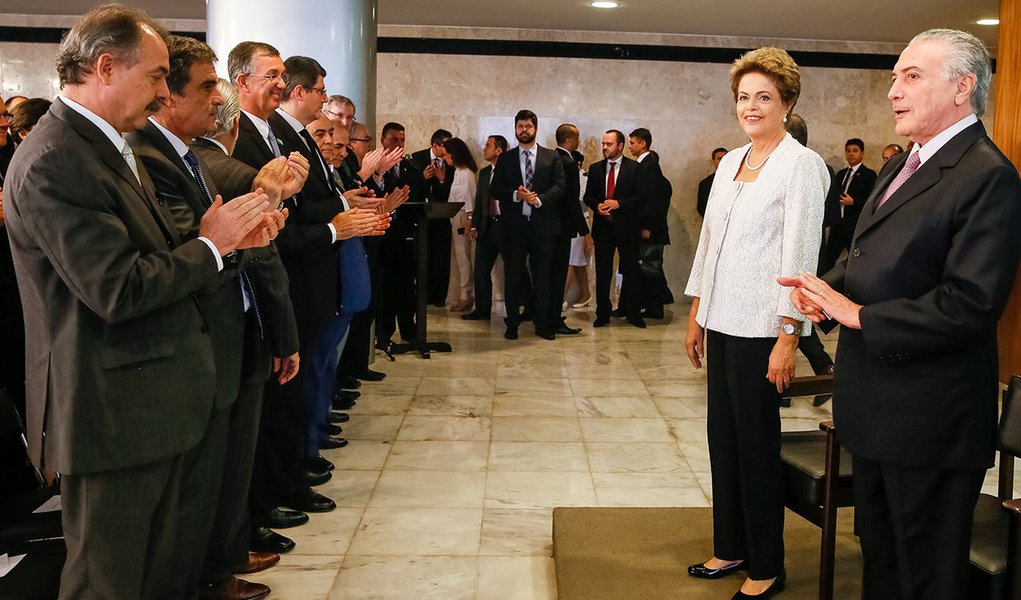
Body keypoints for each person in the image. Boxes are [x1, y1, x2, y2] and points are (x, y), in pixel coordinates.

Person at [4, 6, 278, 597]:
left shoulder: (106, 146)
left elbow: (156, 251)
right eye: (155, 75)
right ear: (105, 67)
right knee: (110, 577)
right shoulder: (58, 157)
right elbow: (118, 288)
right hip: (110, 408)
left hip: (148, 399)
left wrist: (218, 238)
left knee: (156, 568)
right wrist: (211, 244)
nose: (163, 90)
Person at [780, 29, 1021, 600]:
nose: (894, 91)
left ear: (963, 87)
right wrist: (824, 291)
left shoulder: (989, 175)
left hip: (930, 420)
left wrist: (859, 316)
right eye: (894, 77)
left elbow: (970, 303)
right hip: (876, 409)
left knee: (925, 577)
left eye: (911, 76)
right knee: (882, 562)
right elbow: (865, 253)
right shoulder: (904, 163)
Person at [684, 47, 828, 599]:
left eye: (763, 97)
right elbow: (710, 244)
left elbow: (799, 256)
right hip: (721, 321)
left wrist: (788, 335)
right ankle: (733, 546)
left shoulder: (802, 165)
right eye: (744, 97)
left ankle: (768, 564)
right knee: (723, 438)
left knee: (756, 445)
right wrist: (697, 314)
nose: (751, 106)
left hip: (763, 328)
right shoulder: (729, 162)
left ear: (787, 104)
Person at [490, 109, 566, 340]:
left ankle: (542, 325)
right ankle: (511, 323)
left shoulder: (551, 157)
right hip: (514, 228)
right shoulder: (506, 158)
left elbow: (561, 186)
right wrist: (516, 195)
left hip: (544, 228)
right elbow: (495, 190)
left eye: (528, 126)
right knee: (513, 276)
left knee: (543, 277)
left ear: (536, 129)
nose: (524, 130)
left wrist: (538, 199)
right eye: (520, 126)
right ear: (515, 129)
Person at [584, 130, 646, 329]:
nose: (604, 147)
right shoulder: (595, 169)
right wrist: (597, 206)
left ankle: (634, 313)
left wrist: (619, 203)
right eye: (603, 144)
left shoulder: (634, 169)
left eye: (609, 144)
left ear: (620, 146)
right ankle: (602, 313)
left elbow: (641, 197)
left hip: (627, 228)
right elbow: (588, 196)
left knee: (630, 270)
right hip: (603, 229)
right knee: (603, 273)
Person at [463, 135, 510, 321]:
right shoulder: (484, 173)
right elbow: (480, 201)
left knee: (516, 269)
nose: (484, 149)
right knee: (481, 270)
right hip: (486, 226)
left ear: (499, 149)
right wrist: (474, 225)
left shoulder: (510, 171)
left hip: (505, 225)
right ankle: (482, 309)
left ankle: (527, 306)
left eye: (488, 146)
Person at [629, 127, 673, 319]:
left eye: (632, 143)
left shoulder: (648, 165)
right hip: (651, 227)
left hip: (650, 229)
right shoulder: (646, 165)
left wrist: (646, 226)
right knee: (649, 267)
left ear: (642, 143)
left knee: (650, 268)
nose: (629, 147)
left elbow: (651, 200)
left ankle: (655, 307)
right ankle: (652, 305)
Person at [550, 123, 588, 334]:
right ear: (569, 140)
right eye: (577, 138)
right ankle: (554, 319)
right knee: (558, 274)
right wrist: (584, 231)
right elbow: (572, 201)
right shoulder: (569, 163)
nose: (579, 142)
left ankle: (549, 314)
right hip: (564, 227)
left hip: (548, 226)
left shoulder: (549, 158)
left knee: (551, 273)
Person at [412, 128, 454, 307]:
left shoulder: (452, 161)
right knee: (423, 257)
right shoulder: (417, 158)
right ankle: (424, 296)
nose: (448, 151)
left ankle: (439, 297)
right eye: (445, 147)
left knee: (442, 258)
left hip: (442, 217)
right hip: (422, 217)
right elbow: (409, 188)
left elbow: (453, 190)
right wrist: (422, 178)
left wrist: (442, 179)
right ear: (435, 146)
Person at [822, 138, 877, 272]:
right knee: (827, 260)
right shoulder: (840, 174)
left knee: (856, 262)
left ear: (862, 153)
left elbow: (873, 201)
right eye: (848, 151)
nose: (851, 154)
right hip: (837, 224)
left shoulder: (869, 175)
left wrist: (854, 202)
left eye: (855, 151)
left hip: (855, 225)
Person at [442, 136, 478, 312]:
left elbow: (469, 200)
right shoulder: (457, 172)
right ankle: (465, 294)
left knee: (464, 258)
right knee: (459, 258)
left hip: (463, 218)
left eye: (447, 155)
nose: (445, 159)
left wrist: (470, 222)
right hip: (456, 217)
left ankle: (466, 295)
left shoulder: (466, 174)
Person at [565, 150, 593, 308]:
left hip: (580, 221)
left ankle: (562, 296)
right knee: (577, 262)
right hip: (572, 222)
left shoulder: (584, 178)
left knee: (570, 260)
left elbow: (580, 200)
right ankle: (585, 294)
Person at [696, 147, 727, 217]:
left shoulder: (738, 180)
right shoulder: (704, 184)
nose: (723, 161)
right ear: (713, 161)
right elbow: (701, 207)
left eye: (725, 158)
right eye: (719, 159)